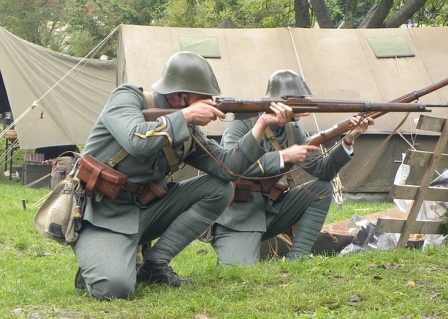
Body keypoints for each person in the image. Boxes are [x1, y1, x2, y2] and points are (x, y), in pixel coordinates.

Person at [73, 52, 295, 300]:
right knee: (114, 289)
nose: (211, 103)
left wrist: (261, 125)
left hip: (145, 211)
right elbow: (136, 140)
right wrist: (185, 116)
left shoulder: (186, 130)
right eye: (204, 97)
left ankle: (155, 264)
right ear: (180, 96)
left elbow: (228, 168)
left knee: (220, 188)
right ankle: (98, 261)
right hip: (102, 215)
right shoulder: (128, 97)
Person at [210, 69, 374, 265]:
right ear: (281, 102)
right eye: (299, 101)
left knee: (322, 188)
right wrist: (282, 156)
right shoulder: (242, 122)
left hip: (271, 209)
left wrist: (348, 140)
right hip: (238, 217)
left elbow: (322, 170)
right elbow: (231, 166)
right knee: (235, 270)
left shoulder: (292, 128)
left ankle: (298, 257)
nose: (303, 106)